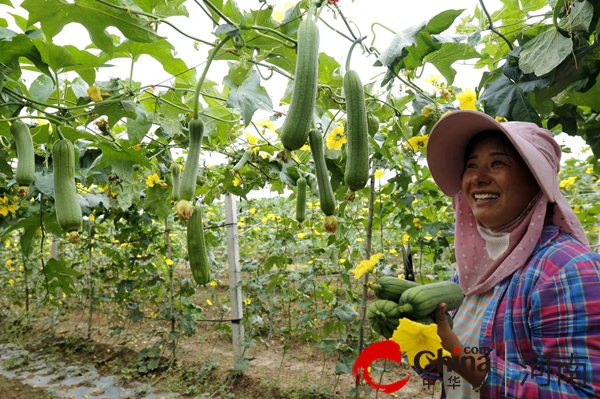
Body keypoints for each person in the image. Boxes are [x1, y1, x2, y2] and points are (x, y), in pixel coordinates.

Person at [419, 110, 600, 398]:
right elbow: (446, 370)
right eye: (471, 165)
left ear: (536, 180)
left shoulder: (565, 269)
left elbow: (583, 392)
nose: (478, 178)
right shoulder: (472, 268)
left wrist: (459, 357)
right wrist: (420, 341)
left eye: (498, 163)